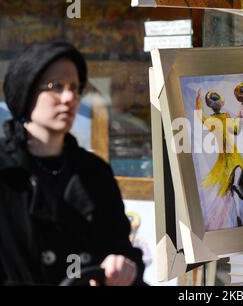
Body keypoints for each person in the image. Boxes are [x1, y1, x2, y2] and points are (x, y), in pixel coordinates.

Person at [0, 41, 144, 286]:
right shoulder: (5, 173)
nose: (68, 98)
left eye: (75, 88)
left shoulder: (94, 173)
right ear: (27, 91)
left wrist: (121, 266)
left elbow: (122, 248)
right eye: (55, 87)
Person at [195, 88, 243, 227]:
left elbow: (200, 117)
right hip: (231, 150)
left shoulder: (211, 120)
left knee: (230, 187)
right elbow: (235, 131)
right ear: (220, 102)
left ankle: (237, 214)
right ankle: (236, 185)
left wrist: (197, 102)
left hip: (222, 154)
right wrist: (238, 119)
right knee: (239, 168)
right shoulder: (226, 116)